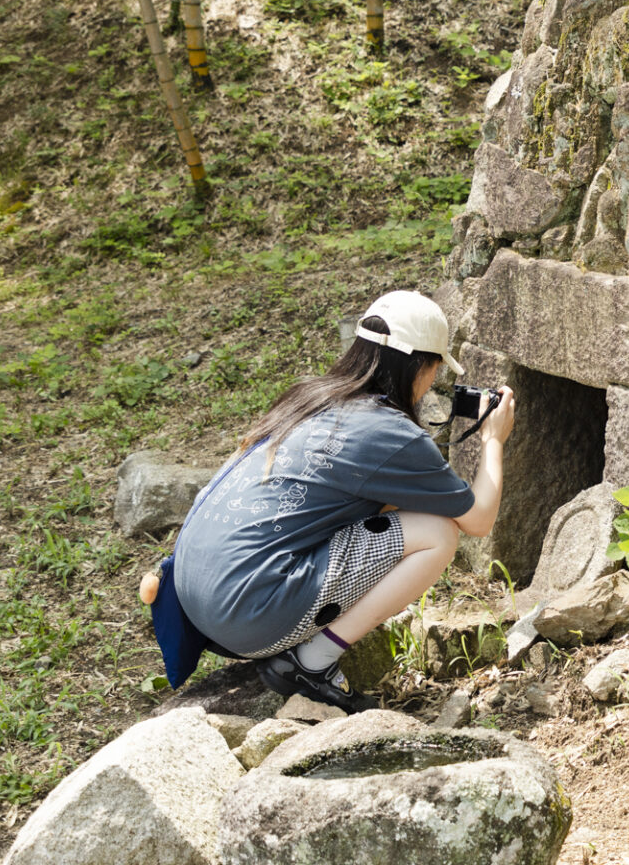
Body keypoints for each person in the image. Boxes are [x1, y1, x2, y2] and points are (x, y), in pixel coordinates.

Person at [172, 290, 515, 712]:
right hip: (246, 613)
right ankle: (311, 663)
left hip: (194, 595)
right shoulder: (389, 431)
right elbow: (479, 519)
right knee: (438, 533)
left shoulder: (309, 396)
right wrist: (493, 440)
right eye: (437, 366)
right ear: (421, 364)